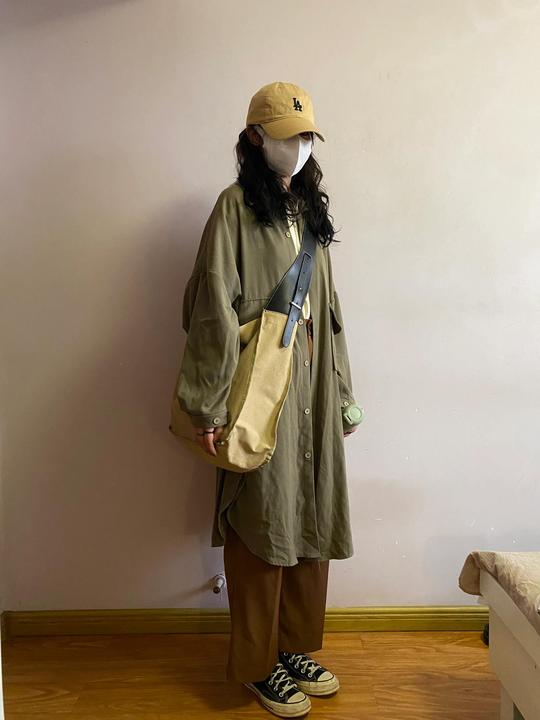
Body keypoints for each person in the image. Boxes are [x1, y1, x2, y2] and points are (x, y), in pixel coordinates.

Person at [172, 81, 360, 718]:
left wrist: (343, 393)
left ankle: (293, 647)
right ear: (255, 138)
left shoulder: (309, 213)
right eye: (286, 136)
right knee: (262, 521)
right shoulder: (233, 208)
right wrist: (208, 403)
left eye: (306, 136)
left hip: (313, 387)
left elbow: (330, 313)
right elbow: (211, 307)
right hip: (259, 392)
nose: (298, 147)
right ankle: (257, 665)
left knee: (311, 515)